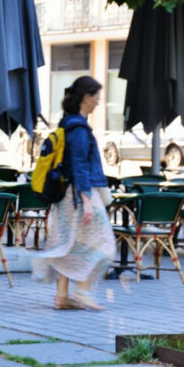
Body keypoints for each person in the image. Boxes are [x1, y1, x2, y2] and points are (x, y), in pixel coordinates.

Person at [32, 76, 115, 310]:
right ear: (86, 98)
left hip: (67, 195)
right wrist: (88, 200)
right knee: (104, 243)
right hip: (79, 195)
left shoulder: (67, 122)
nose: (99, 101)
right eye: (97, 96)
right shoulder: (78, 128)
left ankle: (61, 296)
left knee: (70, 243)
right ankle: (83, 290)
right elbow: (80, 164)